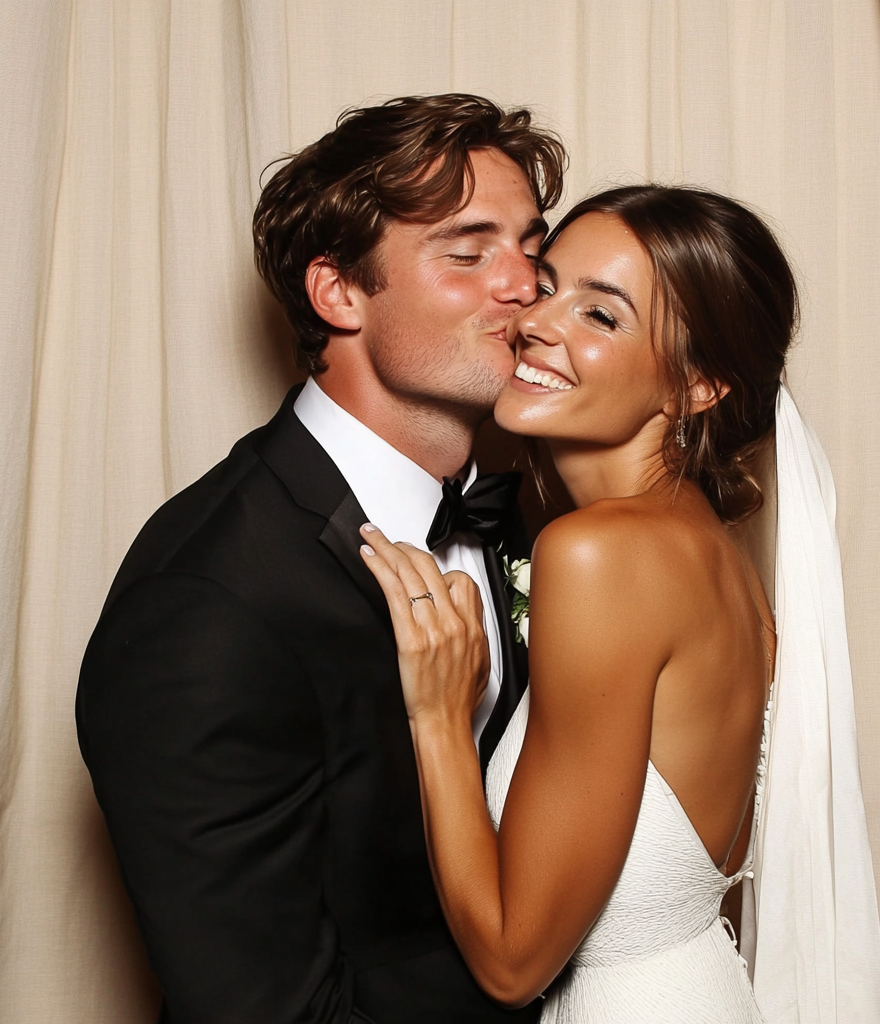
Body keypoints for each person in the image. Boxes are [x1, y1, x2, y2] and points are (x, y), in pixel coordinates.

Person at [76, 94, 566, 1024]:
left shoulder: (530, 524)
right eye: (467, 252)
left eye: (530, 247)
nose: (524, 285)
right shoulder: (208, 601)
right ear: (338, 291)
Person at [359, 186, 880, 1022]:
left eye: (601, 317)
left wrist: (438, 715)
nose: (537, 322)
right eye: (545, 285)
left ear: (697, 386)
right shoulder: (704, 547)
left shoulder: (600, 554)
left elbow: (511, 961)